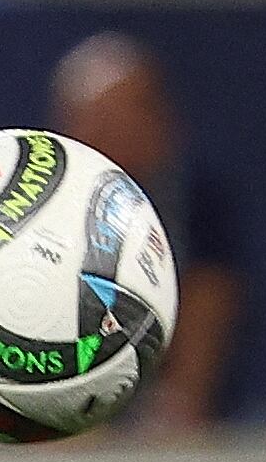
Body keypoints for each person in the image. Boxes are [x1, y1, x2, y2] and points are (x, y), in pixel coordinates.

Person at [46, 33, 249, 427]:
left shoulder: (196, 201)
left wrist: (182, 400)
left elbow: (209, 301)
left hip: (157, 412)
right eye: (98, 120)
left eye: (132, 112)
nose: (115, 132)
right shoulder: (35, 203)